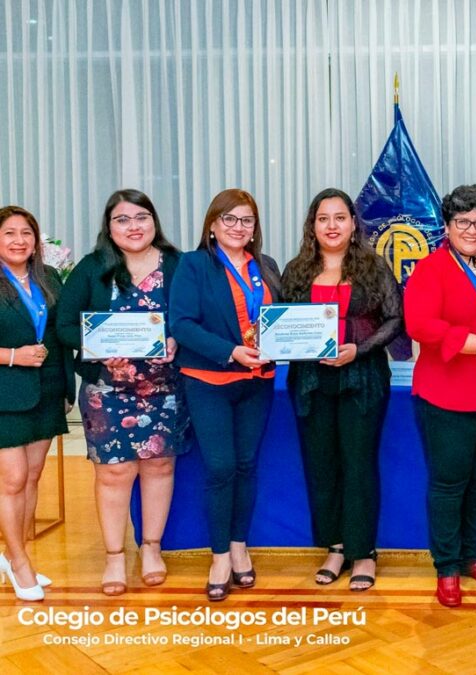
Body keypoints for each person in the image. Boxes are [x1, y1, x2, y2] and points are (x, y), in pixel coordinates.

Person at [56, 190, 189, 596]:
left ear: (155, 222)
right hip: (106, 389)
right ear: (109, 228)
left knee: (159, 467)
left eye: (141, 217)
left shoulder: (178, 266)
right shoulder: (93, 268)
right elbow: (64, 326)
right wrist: (98, 350)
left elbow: (194, 317)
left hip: (164, 389)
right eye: (122, 219)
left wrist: (177, 340)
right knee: (114, 473)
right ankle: (115, 555)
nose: (134, 226)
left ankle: (151, 548)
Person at [406, 184, 476, 608]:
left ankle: (472, 555)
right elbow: (420, 325)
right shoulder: (430, 268)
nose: (472, 229)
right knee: (449, 483)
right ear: (447, 225)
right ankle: (447, 566)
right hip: (446, 392)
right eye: (462, 222)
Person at [281, 188, 402, 592]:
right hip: (311, 383)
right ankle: (335, 546)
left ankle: (363, 551)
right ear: (312, 227)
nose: (331, 226)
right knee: (322, 465)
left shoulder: (373, 267)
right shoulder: (296, 270)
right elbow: (281, 325)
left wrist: (359, 349)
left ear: (353, 225)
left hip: (362, 380)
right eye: (323, 218)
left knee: (358, 464)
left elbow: (394, 320)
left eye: (340, 218)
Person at [169, 188, 280, 601]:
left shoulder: (265, 266)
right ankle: (218, 555)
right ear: (212, 225)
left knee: (247, 464)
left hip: (258, 382)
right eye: (229, 219)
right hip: (209, 381)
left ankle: (239, 546)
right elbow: (181, 324)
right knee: (220, 467)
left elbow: (278, 318)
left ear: (255, 228)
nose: (238, 227)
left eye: (246, 220)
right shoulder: (194, 264)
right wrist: (230, 351)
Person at [0, 205, 73, 601]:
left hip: (46, 391)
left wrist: (66, 390)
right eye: (9, 233)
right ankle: (18, 562)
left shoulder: (49, 279)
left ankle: (17, 553)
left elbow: (60, 336)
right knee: (11, 481)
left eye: (26, 233)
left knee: (31, 478)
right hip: (4, 393)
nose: (19, 240)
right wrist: (13, 356)